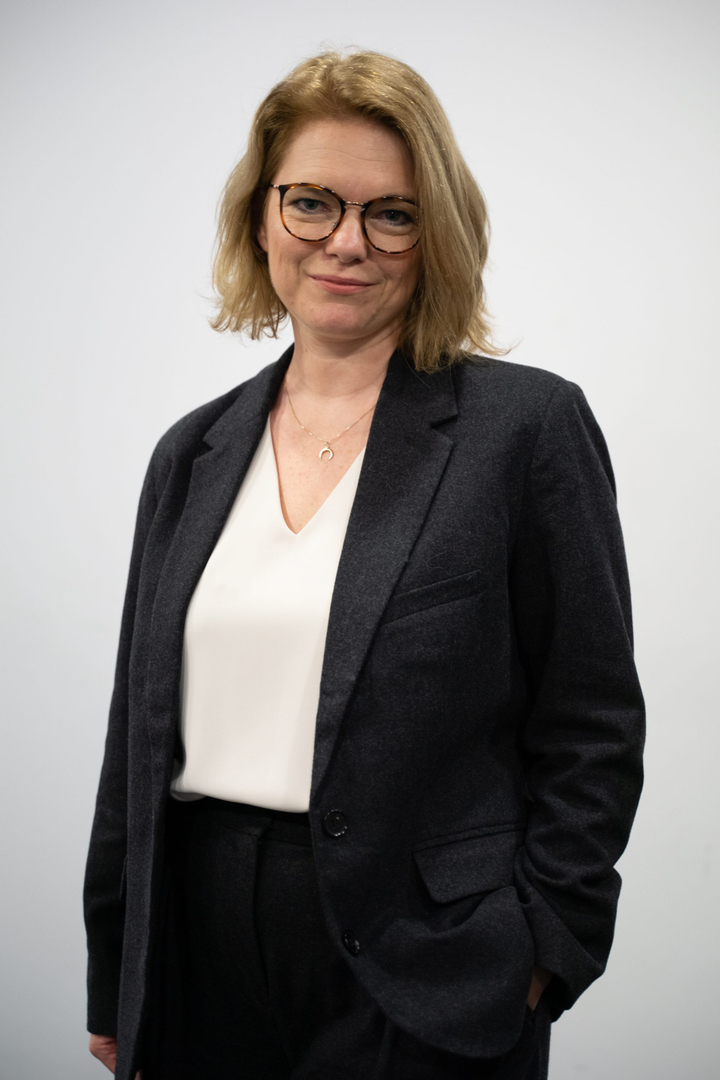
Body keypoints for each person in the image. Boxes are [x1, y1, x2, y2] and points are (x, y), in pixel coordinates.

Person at [83, 49, 645, 1080]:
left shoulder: (525, 430)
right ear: (261, 218)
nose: (347, 242)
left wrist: (541, 947)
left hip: (426, 958)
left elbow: (592, 719)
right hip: (198, 944)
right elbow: (137, 730)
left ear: (437, 237)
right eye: (312, 203)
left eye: (392, 214)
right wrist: (116, 963)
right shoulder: (192, 452)